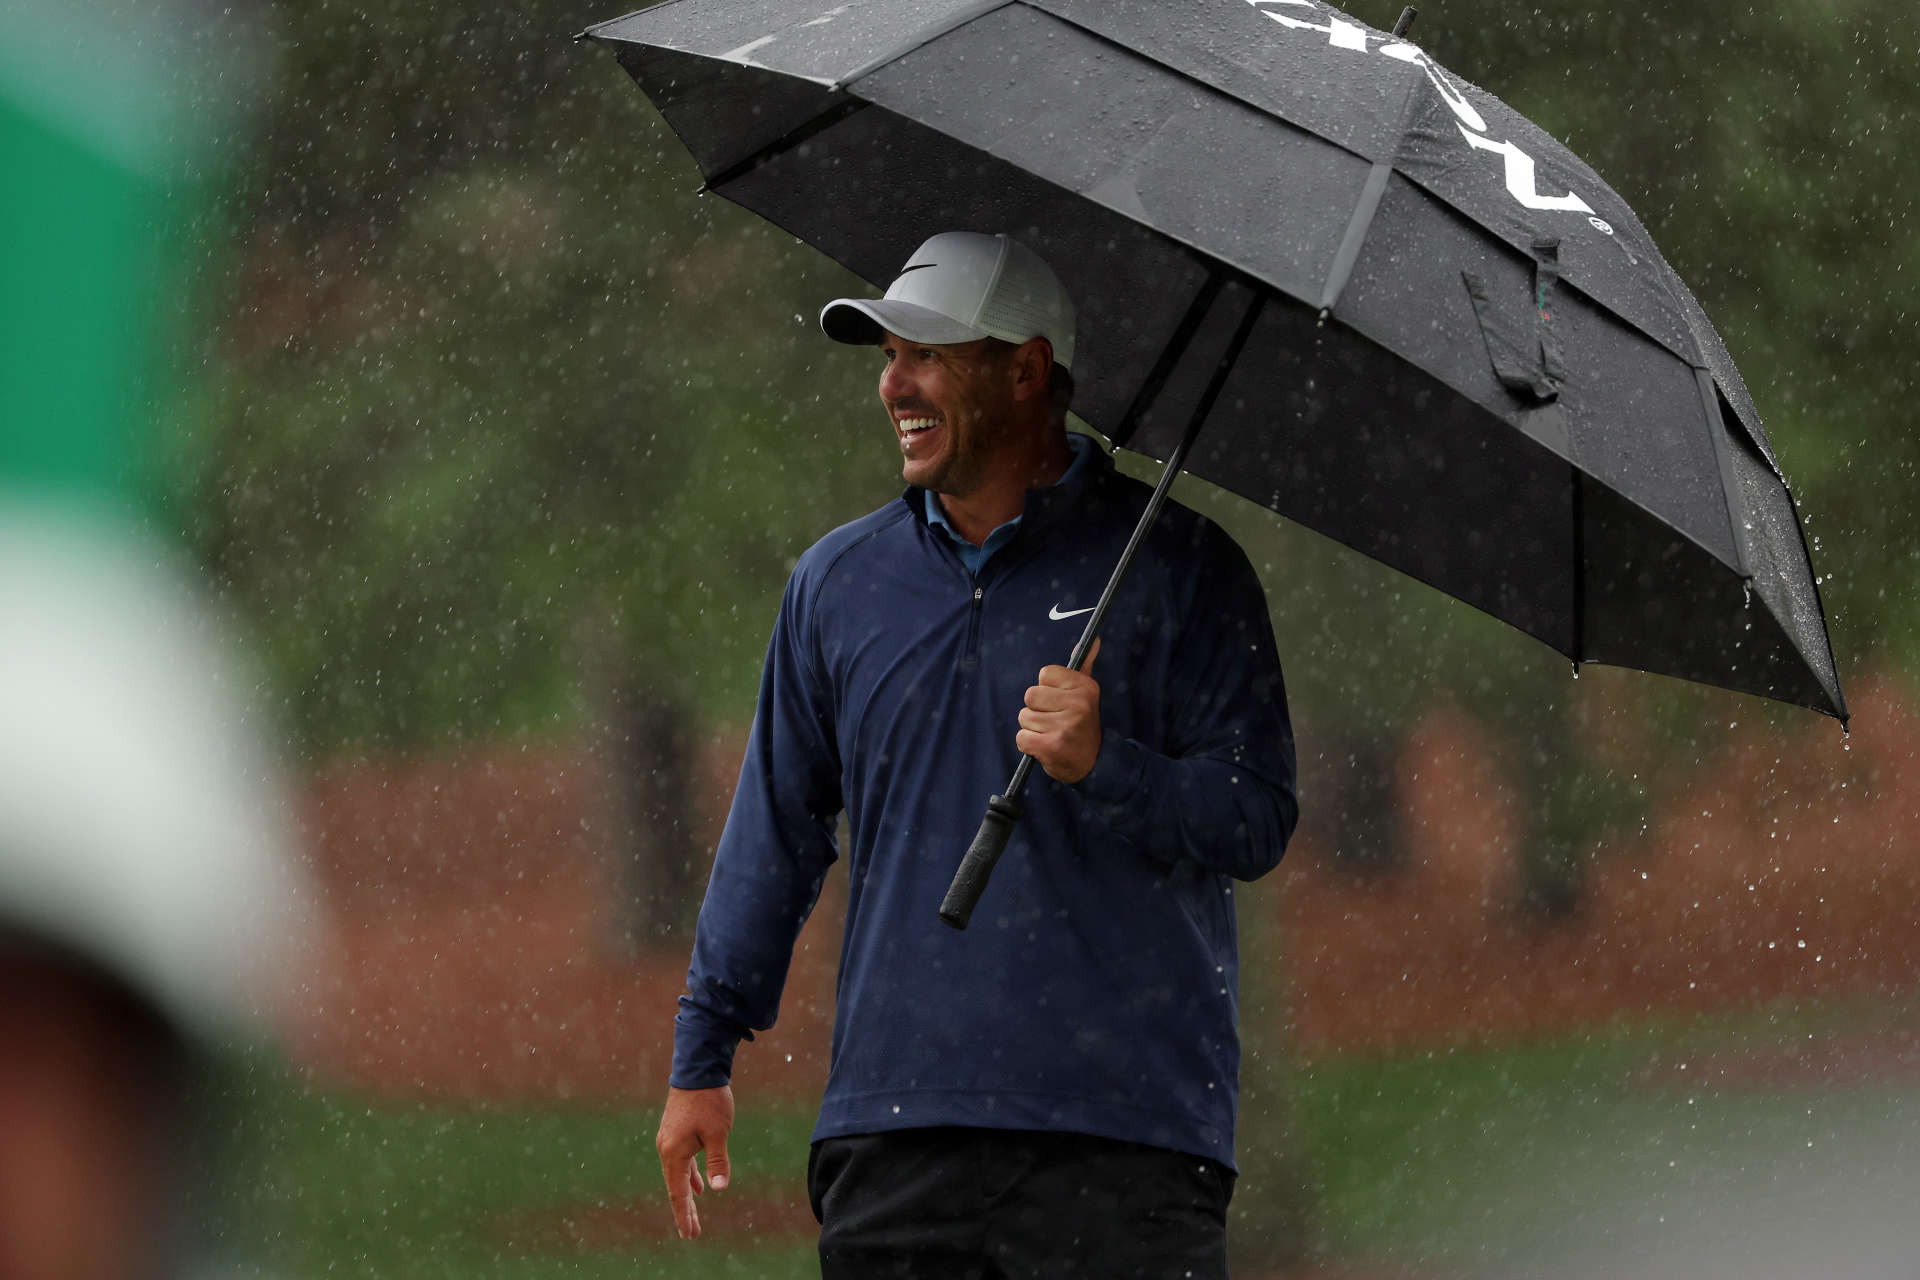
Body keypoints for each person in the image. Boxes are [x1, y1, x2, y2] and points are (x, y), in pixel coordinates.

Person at [656, 230, 1298, 1276]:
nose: (892, 384)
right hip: (896, 1132)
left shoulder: (1184, 566)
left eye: (927, 354)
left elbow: (1257, 813)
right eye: (886, 354)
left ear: (1026, 369)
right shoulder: (837, 584)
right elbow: (776, 827)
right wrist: (703, 1051)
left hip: (1126, 1138)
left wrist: (1110, 764)